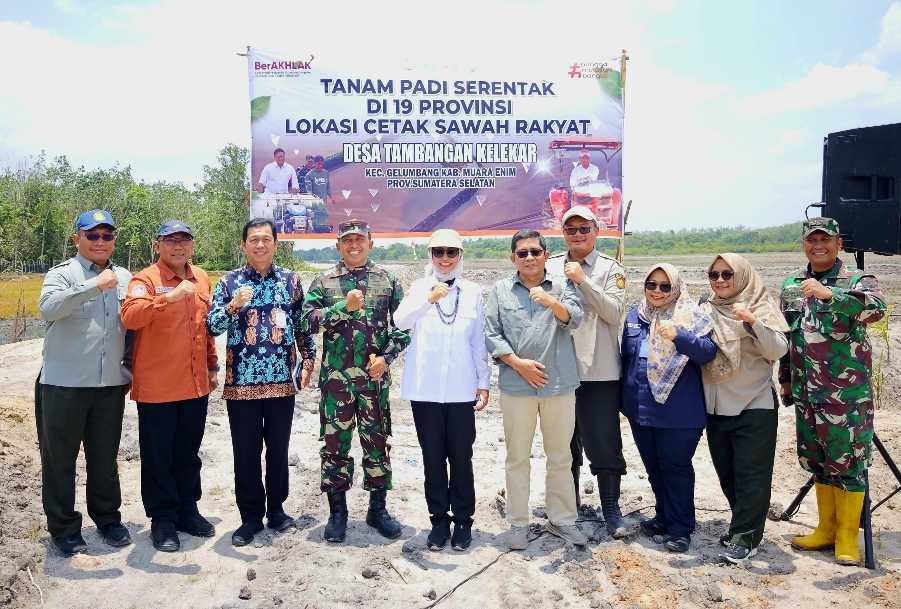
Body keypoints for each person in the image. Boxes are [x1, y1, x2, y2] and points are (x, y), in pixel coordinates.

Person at [779, 217, 885, 566]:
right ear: (804, 244)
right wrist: (785, 378)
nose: (818, 246)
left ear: (839, 244)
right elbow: (787, 338)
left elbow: (877, 310)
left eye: (826, 240)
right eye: (812, 240)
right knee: (818, 462)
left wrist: (832, 295)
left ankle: (847, 538)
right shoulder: (792, 284)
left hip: (845, 398)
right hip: (806, 395)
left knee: (849, 464)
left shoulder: (857, 280)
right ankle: (825, 529)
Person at [207, 218, 316, 547]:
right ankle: (250, 518)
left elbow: (302, 326)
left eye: (266, 239)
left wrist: (308, 360)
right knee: (246, 453)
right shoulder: (229, 282)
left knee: (278, 450)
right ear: (243, 245)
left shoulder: (290, 281)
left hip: (282, 382)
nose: (259, 245)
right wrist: (233, 306)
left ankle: (277, 510)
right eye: (253, 240)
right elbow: (211, 325)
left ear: (275, 244)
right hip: (241, 384)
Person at [301, 219, 410, 543]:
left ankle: (378, 509)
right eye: (347, 241)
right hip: (336, 383)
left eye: (359, 240)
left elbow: (404, 326)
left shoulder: (387, 280)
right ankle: (338, 513)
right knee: (335, 447)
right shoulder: (324, 281)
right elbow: (307, 321)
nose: (353, 245)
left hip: (373, 383)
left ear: (370, 243)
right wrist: (342, 307)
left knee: (377, 445)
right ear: (338, 246)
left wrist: (386, 357)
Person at [38, 209, 133, 555]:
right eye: (92, 235)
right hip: (63, 385)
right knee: (60, 460)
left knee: (105, 458)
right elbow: (48, 309)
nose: (100, 241)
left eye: (107, 235)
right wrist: (94, 285)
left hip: (109, 385)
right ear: (76, 238)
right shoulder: (63, 274)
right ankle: (64, 528)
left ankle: (108, 519)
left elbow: (132, 326)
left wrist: (133, 367)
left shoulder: (124, 276)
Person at [485, 229, 587, 550]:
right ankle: (518, 524)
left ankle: (563, 520)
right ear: (513, 257)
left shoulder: (562, 285)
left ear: (545, 254)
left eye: (534, 252)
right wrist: (519, 364)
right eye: (522, 253)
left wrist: (551, 301)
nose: (529, 257)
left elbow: (575, 319)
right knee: (517, 458)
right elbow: (492, 334)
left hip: (559, 385)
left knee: (560, 456)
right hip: (518, 386)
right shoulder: (500, 291)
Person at [120, 220, 219, 552]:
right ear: (157, 244)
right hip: (158, 388)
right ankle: (162, 519)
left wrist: (212, 363)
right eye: (171, 241)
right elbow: (131, 317)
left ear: (192, 245)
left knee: (188, 454)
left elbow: (203, 328)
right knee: (158, 456)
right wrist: (170, 297)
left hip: (195, 386)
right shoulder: (144, 280)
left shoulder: (202, 277)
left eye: (184, 241)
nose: (178, 247)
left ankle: (188, 510)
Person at [394, 229, 490, 551]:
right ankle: (438, 520)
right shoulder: (419, 288)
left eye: (451, 252)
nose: (445, 259)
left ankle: (463, 521)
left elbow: (478, 340)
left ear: (460, 256)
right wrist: (427, 299)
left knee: (461, 456)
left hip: (462, 389)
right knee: (433, 457)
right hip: (426, 389)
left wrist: (483, 382)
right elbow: (400, 322)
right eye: (439, 252)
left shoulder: (474, 292)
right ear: (430, 256)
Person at [700, 253, 789, 563]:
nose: (721, 280)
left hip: (755, 405)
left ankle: (747, 536)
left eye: (728, 274)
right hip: (716, 406)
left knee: (752, 475)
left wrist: (752, 323)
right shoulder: (705, 309)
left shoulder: (759, 305)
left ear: (742, 276)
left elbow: (777, 349)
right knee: (727, 474)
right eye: (715, 275)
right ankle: (741, 526)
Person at [621, 264, 716, 553]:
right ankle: (663, 516)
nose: (658, 291)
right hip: (641, 410)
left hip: (679, 412)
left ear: (676, 287)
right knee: (654, 469)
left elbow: (707, 353)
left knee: (675, 468)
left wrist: (679, 335)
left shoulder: (692, 316)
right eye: (652, 285)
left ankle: (680, 528)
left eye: (665, 286)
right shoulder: (634, 317)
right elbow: (625, 358)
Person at [547, 206, 629, 538]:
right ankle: (570, 505)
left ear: (596, 231)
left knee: (604, 441)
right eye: (571, 230)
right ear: (562, 233)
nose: (578, 235)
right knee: (564, 442)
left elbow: (614, 313)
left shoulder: (611, 269)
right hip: (561, 367)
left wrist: (583, 282)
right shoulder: (551, 265)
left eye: (584, 229)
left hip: (599, 370)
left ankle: (611, 508)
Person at [252, 148, 299, 220]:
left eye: (282, 156)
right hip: (270, 197)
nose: (281, 158)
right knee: (269, 218)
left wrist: (295, 192)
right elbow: (261, 183)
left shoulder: (290, 168)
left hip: (284, 198)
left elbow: (295, 185)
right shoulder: (268, 168)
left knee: (287, 218)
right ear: (275, 157)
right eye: (279, 157)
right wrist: (259, 189)